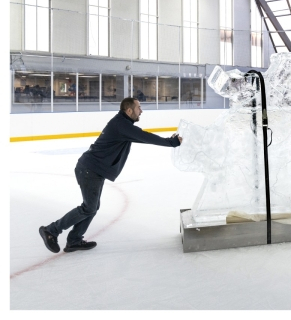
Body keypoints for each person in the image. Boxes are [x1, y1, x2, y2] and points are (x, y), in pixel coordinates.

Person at [39, 97, 183, 253]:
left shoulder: (123, 125)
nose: (141, 111)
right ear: (129, 110)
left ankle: (74, 240)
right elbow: (146, 137)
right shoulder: (121, 125)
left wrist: (170, 141)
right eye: (138, 107)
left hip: (93, 169)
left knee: (91, 207)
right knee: (89, 207)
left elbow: (141, 138)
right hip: (89, 169)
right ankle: (51, 230)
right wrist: (171, 142)